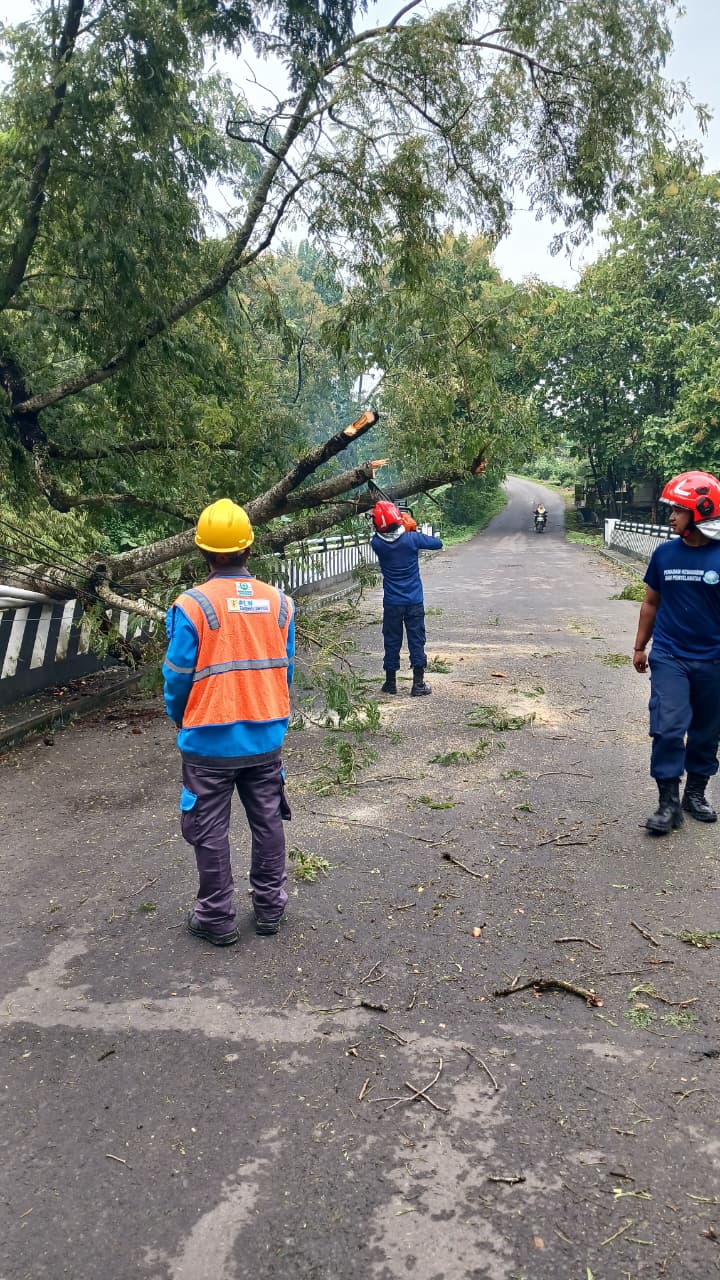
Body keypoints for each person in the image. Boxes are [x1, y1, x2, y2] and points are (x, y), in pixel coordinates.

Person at [163, 498, 295, 944]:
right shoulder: (280, 602)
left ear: (202, 551)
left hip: (208, 744)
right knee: (268, 822)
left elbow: (177, 677)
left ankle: (217, 919)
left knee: (209, 830)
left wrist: (182, 720)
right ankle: (270, 910)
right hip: (265, 737)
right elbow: (285, 669)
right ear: (248, 548)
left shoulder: (193, 605)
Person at [633, 470, 720, 835]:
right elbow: (651, 602)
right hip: (669, 654)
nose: (670, 516)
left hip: (714, 659)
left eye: (678, 510)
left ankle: (695, 793)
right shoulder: (665, 553)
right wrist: (640, 646)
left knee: (706, 730)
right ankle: (668, 803)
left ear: (701, 511)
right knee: (668, 727)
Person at [370, 499, 443, 696]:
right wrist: (413, 528)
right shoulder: (412, 539)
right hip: (414, 601)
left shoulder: (376, 543)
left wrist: (404, 527)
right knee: (416, 640)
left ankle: (390, 683)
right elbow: (438, 543)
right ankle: (418, 684)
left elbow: (384, 533)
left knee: (392, 640)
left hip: (392, 602)